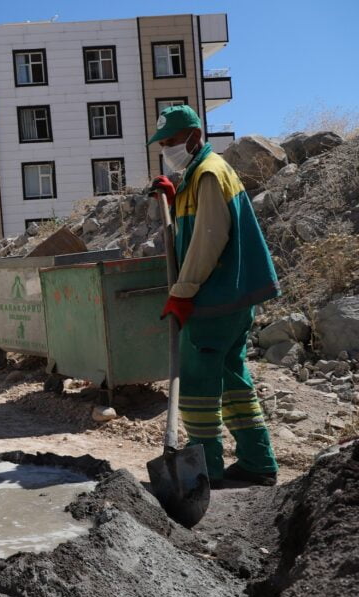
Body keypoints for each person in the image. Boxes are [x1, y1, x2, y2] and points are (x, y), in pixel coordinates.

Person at [149, 104, 280, 488]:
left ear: (194, 136)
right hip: (232, 297)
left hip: (216, 298)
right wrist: (174, 198)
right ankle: (258, 463)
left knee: (197, 385)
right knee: (231, 377)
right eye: (163, 143)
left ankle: (206, 472)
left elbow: (208, 240)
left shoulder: (208, 174)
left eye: (171, 141)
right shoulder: (198, 175)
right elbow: (196, 226)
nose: (167, 148)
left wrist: (182, 292)